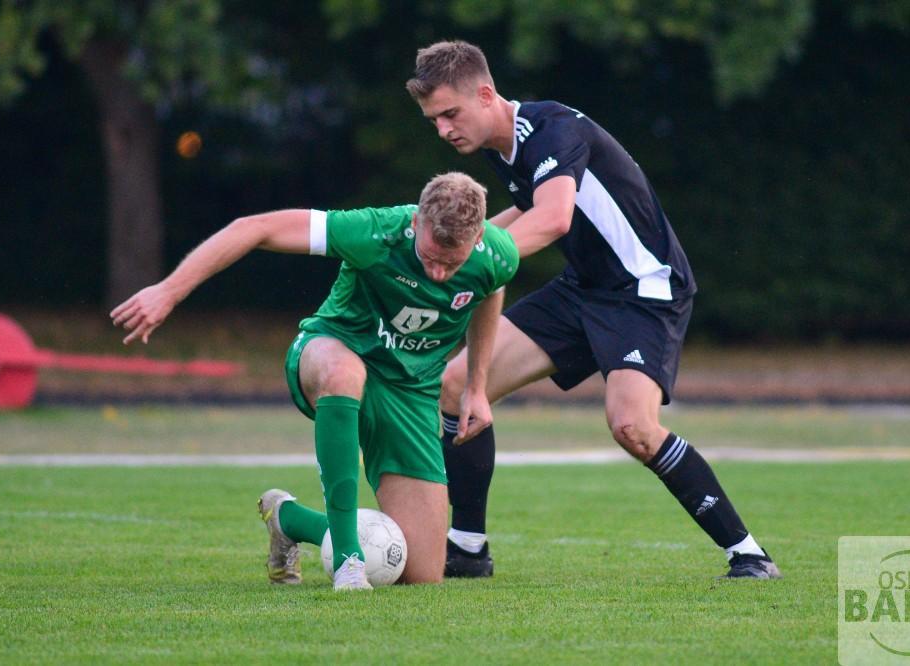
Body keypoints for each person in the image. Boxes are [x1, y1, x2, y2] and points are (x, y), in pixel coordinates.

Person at [406, 41, 781, 579]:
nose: (443, 130)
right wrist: (462, 241)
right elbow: (529, 206)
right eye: (433, 120)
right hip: (583, 288)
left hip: (644, 289)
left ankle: (749, 554)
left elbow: (554, 217)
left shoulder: (554, 129)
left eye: (449, 114)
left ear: (485, 94)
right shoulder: (500, 145)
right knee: (457, 384)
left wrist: (473, 255)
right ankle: (467, 548)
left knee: (632, 426)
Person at [110, 172, 519, 590]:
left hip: (410, 392)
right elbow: (255, 228)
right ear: (416, 223)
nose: (438, 273)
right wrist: (169, 291)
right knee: (346, 373)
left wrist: (475, 386)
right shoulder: (374, 233)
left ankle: (289, 520)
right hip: (331, 350)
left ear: (478, 237)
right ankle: (348, 563)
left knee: (420, 573)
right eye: (430, 257)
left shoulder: (497, 254)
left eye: (452, 264)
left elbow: (491, 288)